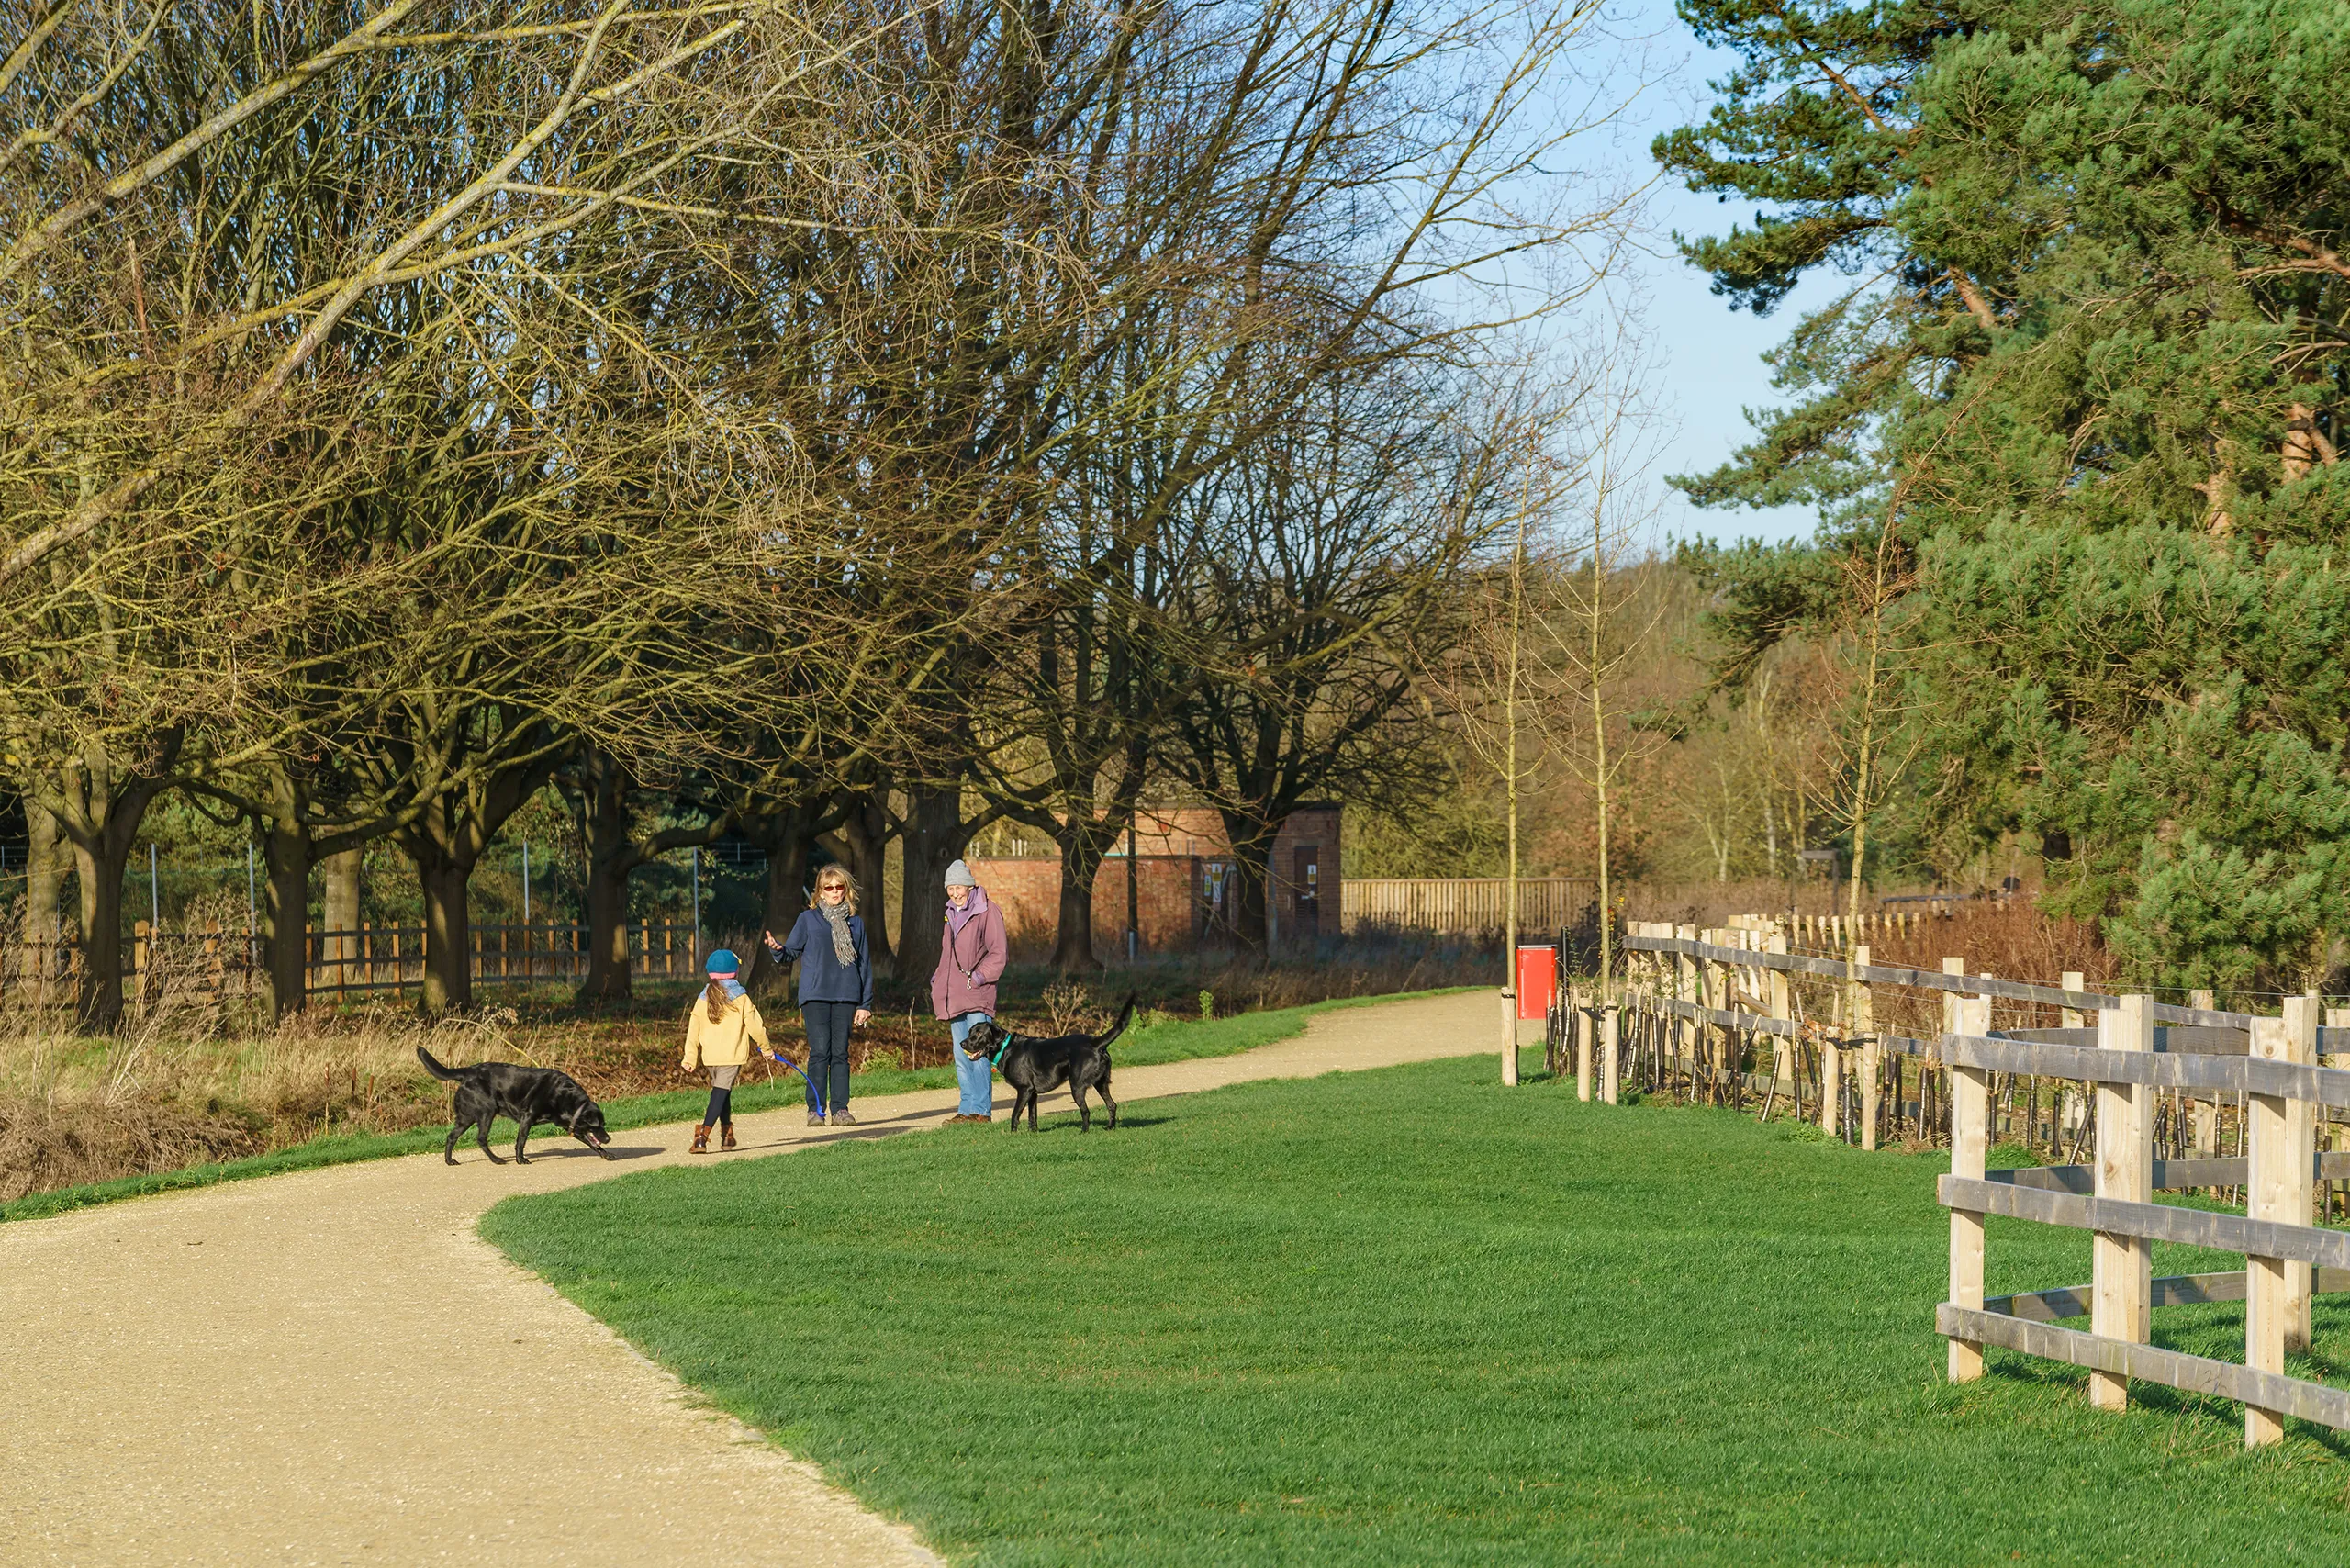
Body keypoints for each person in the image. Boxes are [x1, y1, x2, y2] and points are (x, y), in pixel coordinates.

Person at [763, 864, 874, 1126]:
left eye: (839, 887)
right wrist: (777, 949)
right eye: (829, 887)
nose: (835, 892)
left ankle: (840, 1109)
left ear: (845, 890)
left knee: (840, 1054)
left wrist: (865, 1003)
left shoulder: (855, 923)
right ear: (820, 892)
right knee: (820, 1052)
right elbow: (790, 952)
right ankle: (815, 1109)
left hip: (846, 995)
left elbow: (864, 964)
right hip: (815, 996)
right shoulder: (808, 920)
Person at [932, 858, 1006, 1124]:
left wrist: (978, 978)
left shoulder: (987, 911)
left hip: (978, 994)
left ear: (969, 885)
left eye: (958, 887)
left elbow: (998, 954)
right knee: (961, 1056)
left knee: (978, 1053)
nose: (954, 893)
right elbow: (946, 955)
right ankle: (965, 1109)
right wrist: (938, 979)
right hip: (954, 995)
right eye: (950, 888)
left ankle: (982, 1110)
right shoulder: (949, 913)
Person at [680, 949, 774, 1153]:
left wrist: (690, 1057)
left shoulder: (702, 998)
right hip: (731, 1056)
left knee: (723, 1092)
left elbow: (692, 1030)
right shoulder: (740, 998)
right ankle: (701, 1137)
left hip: (710, 1057)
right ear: (735, 972)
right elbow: (756, 1027)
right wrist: (766, 1048)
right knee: (719, 1093)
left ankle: (727, 1137)